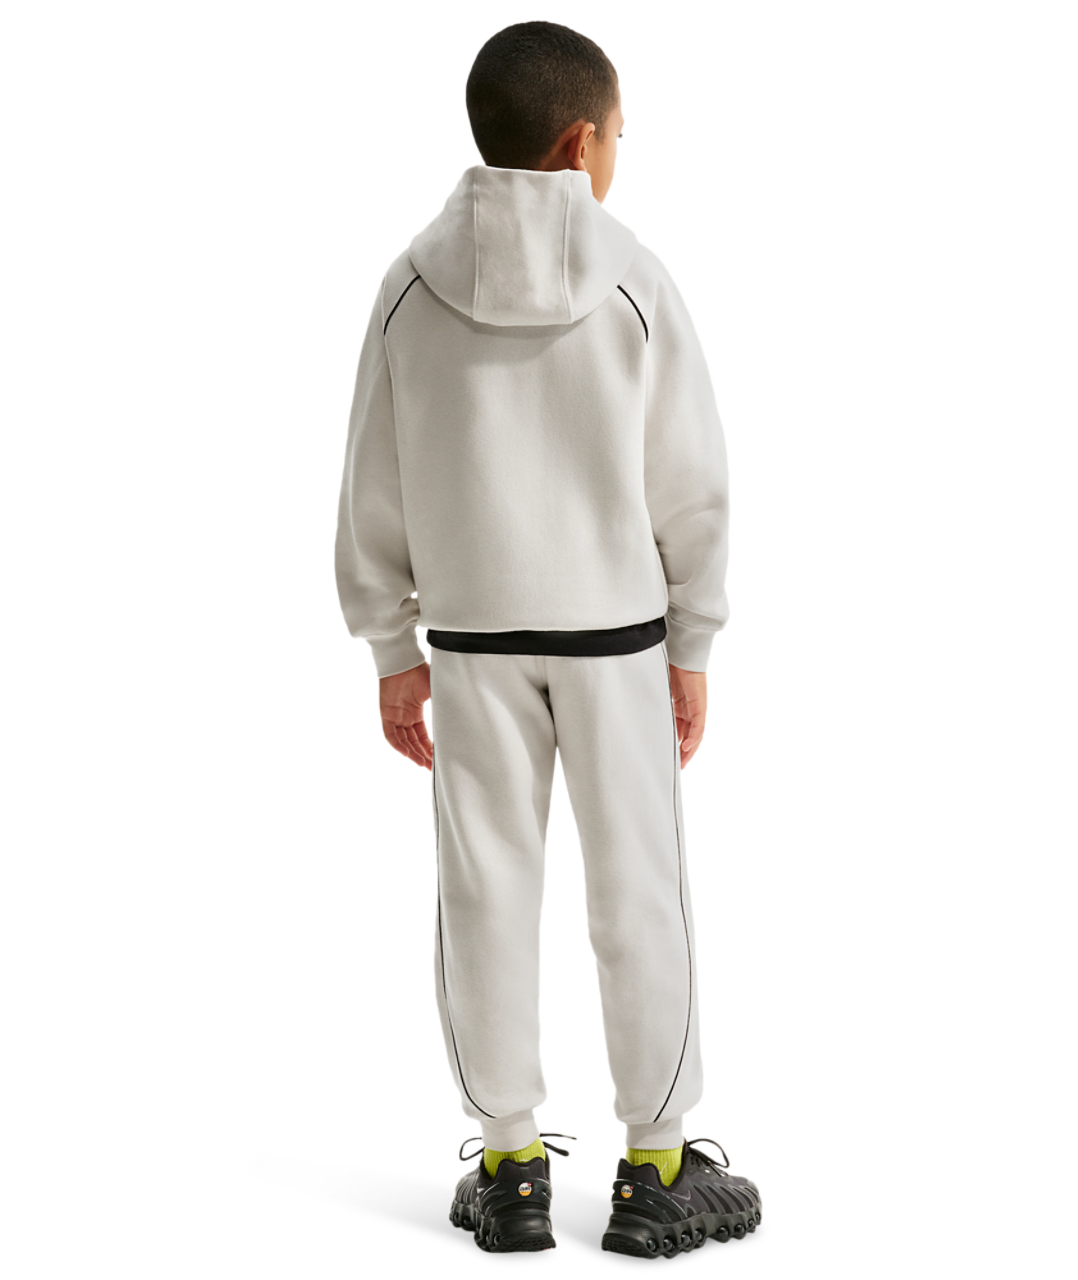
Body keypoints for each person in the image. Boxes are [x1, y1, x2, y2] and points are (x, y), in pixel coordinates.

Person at [334, 20, 760, 1259]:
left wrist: (389, 646)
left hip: (471, 641)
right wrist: (693, 640)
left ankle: (511, 1164)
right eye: (620, 132)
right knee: (640, 892)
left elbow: (371, 477)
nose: (621, 150)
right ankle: (655, 1167)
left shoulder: (409, 286)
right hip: (614, 642)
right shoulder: (634, 279)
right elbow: (689, 478)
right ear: (580, 143)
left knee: (483, 889)